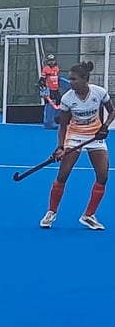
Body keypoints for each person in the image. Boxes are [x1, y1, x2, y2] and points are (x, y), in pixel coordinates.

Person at [40, 61, 114, 230]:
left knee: (103, 177)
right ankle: (51, 212)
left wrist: (105, 126)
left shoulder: (99, 92)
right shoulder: (67, 98)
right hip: (74, 137)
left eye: (74, 79)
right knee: (63, 175)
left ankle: (88, 216)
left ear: (85, 79)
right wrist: (60, 147)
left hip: (96, 136)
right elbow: (63, 126)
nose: (70, 82)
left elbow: (112, 111)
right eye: (70, 79)